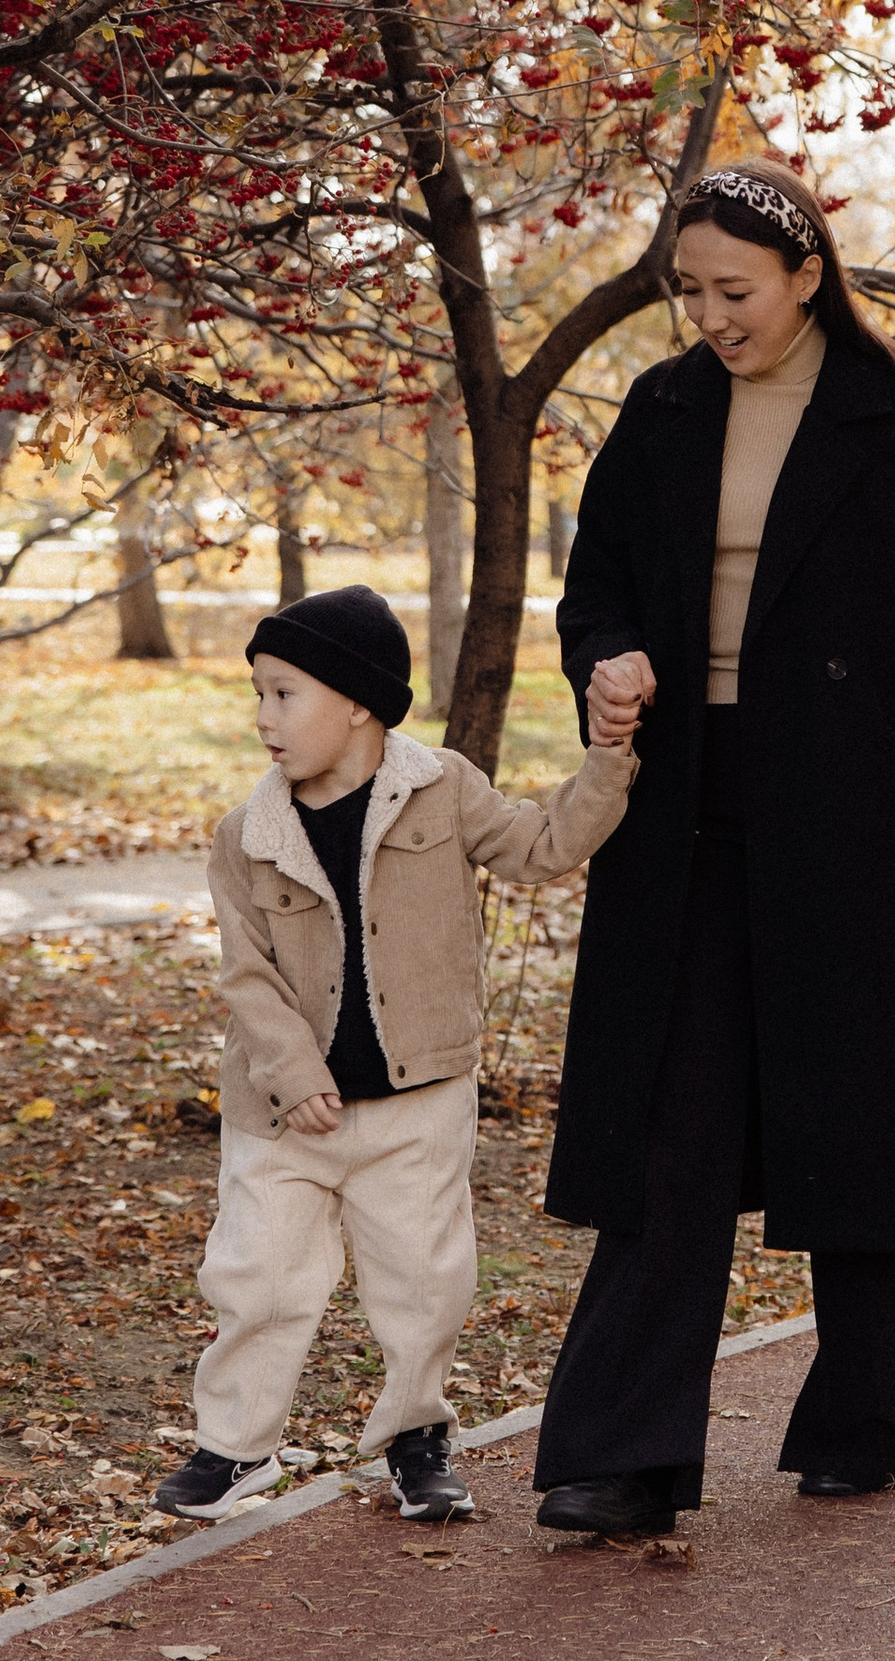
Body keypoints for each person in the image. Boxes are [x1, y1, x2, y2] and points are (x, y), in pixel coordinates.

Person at [533, 156, 895, 1538]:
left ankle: (870, 1417)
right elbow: (594, 589)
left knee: (858, 1130)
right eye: (690, 291)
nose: (710, 315)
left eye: (735, 290)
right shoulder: (664, 410)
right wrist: (606, 659)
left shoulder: (894, 418)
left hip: (854, 819)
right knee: (670, 1123)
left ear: (805, 277)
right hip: (685, 819)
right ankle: (619, 1450)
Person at [161, 582, 638, 1527]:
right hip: (283, 1116)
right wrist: (293, 1077)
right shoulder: (245, 837)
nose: (264, 718)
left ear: (359, 701)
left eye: (284, 694)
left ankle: (415, 1437)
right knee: (254, 1274)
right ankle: (234, 1447)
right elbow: (247, 977)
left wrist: (609, 760)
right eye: (257, 693)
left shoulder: (444, 787)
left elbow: (541, 847)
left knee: (424, 1279)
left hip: (418, 1100)